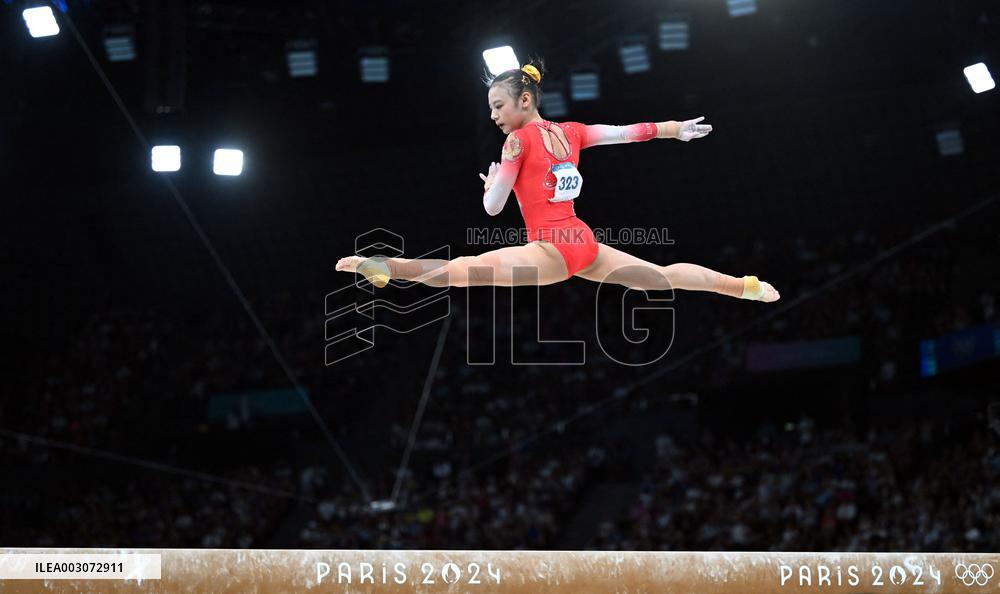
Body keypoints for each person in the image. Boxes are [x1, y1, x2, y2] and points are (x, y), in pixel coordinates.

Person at [336, 60, 779, 302]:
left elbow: (492, 208)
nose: (493, 116)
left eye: (497, 106)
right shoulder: (572, 132)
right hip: (583, 241)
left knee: (460, 272)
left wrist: (493, 182)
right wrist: (675, 127)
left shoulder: (516, 144)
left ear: (524, 100)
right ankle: (742, 286)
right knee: (660, 278)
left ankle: (386, 267)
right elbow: (629, 132)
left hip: (550, 248)